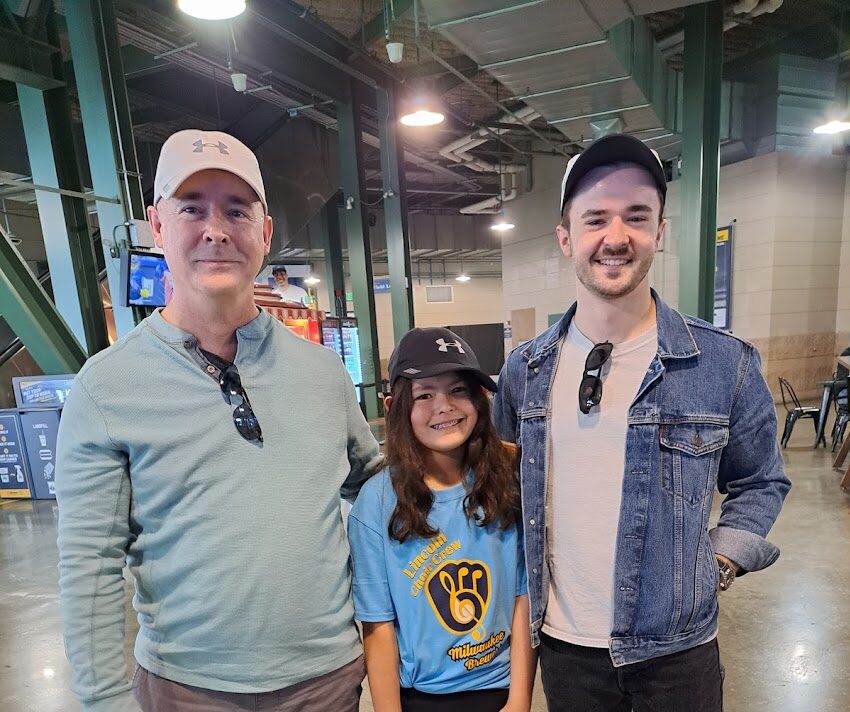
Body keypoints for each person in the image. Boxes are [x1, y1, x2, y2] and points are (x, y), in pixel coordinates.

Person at [56, 129, 383, 712]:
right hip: (187, 691)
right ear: (156, 227)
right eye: (192, 209)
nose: (215, 230)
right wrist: (105, 700)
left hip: (325, 682)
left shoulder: (322, 374)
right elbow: (89, 563)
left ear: (264, 231)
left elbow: (380, 487)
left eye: (236, 209)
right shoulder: (106, 388)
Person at [493, 133, 791, 712]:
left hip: (677, 654)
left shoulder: (724, 363)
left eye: (636, 216)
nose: (615, 236)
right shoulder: (523, 371)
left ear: (660, 231)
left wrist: (718, 561)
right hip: (565, 650)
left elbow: (761, 481)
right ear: (566, 238)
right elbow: (501, 488)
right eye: (595, 219)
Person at [348, 327, 536, 712]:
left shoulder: (507, 482)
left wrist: (519, 700)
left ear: (480, 399)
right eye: (424, 395)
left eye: (458, 390)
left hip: (498, 688)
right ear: (395, 407)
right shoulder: (378, 501)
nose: (444, 406)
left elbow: (523, 597)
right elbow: (377, 626)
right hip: (422, 696)